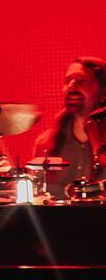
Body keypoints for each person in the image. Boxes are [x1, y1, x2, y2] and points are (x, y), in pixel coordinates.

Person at [34, 56, 106, 197]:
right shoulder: (45, 144)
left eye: (81, 81)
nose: (71, 86)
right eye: (68, 81)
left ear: (103, 93)